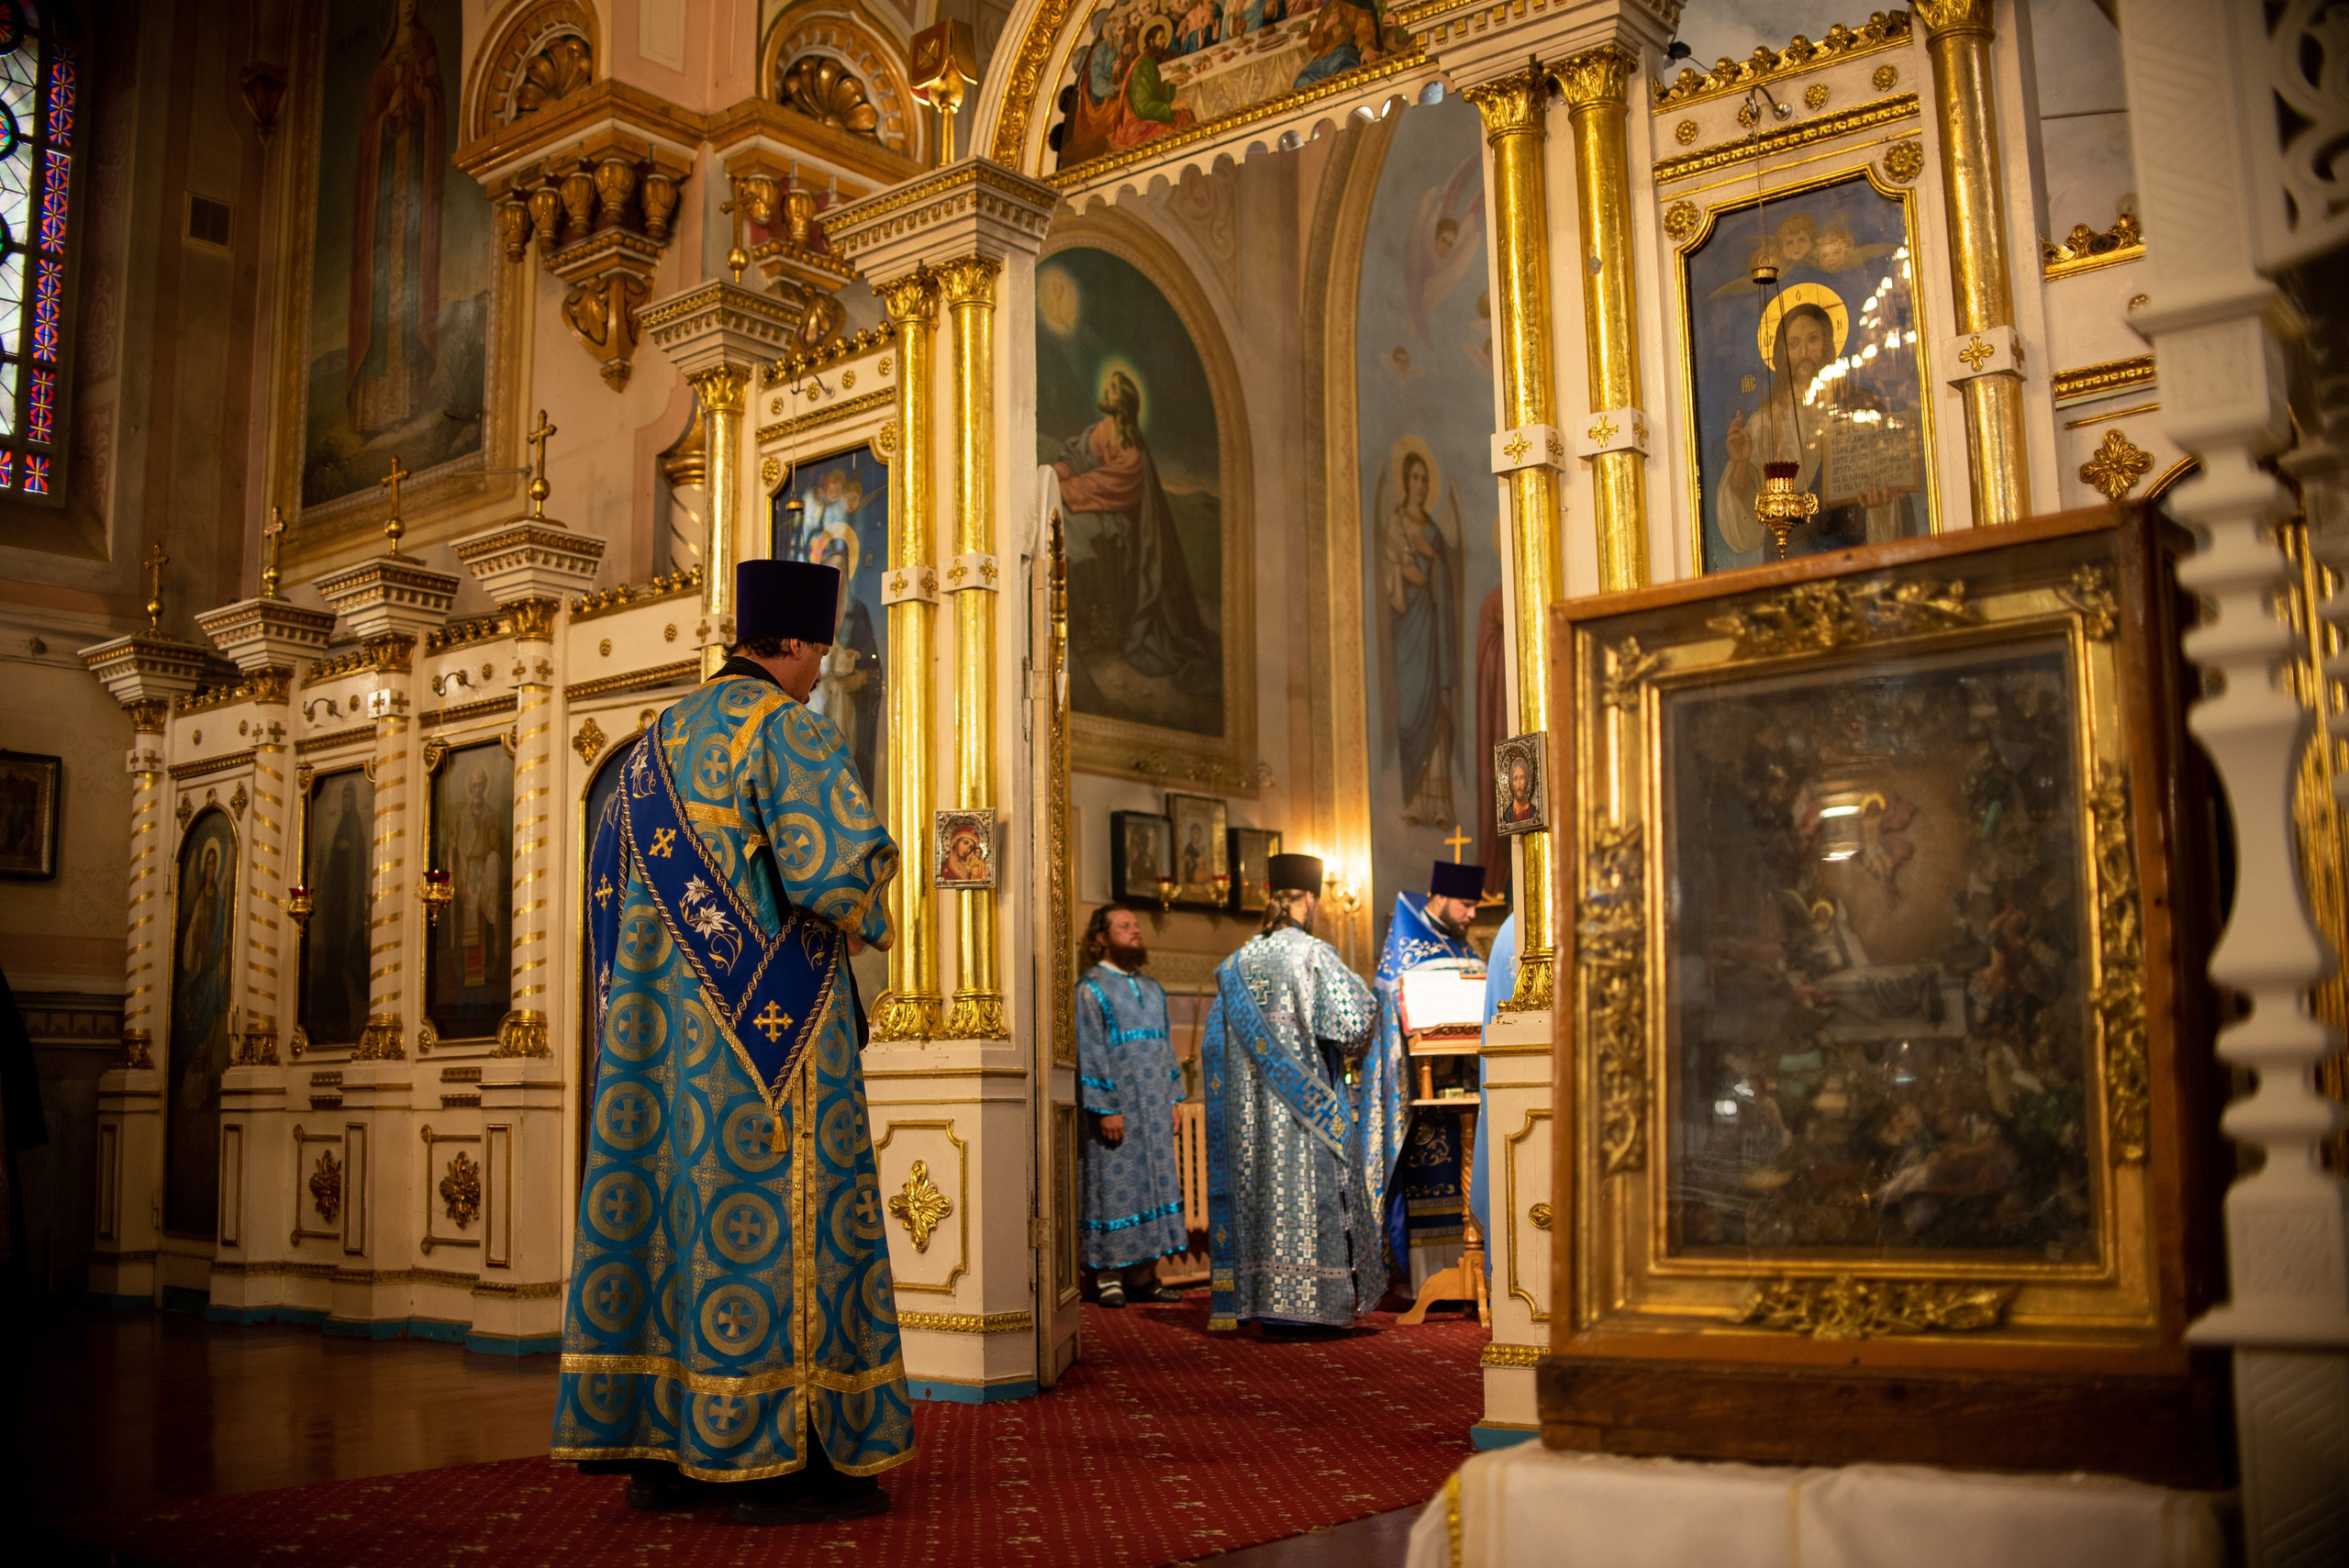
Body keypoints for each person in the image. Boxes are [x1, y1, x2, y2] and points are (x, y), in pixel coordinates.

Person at [554, 559, 907, 1527]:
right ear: (790, 644)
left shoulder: (650, 746)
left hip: (656, 1052)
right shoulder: (785, 730)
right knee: (782, 1227)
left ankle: (664, 1446)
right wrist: (886, 891)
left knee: (670, 1225)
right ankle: (775, 1455)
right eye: (818, 654)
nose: (819, 673)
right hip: (770, 1045)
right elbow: (838, 873)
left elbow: (605, 895)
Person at [1202, 852, 1380, 1337]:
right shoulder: (1312, 955)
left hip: (1248, 1119)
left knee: (1261, 1200)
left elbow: (1213, 1044)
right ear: (1308, 898)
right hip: (1304, 1119)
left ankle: (1264, 1304)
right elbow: (1353, 1022)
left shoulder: (1235, 964)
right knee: (1304, 1199)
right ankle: (1315, 1308)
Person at [1362, 861, 1483, 1293]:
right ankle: (1424, 1282)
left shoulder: (1463, 948)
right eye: (1466, 905)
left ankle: (1472, 1271)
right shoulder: (1407, 946)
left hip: (1463, 1090)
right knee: (1428, 1176)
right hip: (1419, 1095)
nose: (1472, 915)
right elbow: (1388, 1015)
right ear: (1441, 897)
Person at [1075, 905, 1189, 1308]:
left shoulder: (1153, 988)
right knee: (1114, 1187)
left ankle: (1145, 1274)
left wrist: (1174, 1099)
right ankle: (1108, 1276)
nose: (1135, 930)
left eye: (1136, 924)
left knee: (1154, 1184)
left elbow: (1165, 1048)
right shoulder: (1090, 990)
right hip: (1119, 1108)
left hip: (1155, 1108)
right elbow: (1089, 1051)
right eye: (1125, 926)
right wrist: (1105, 1107)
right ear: (1102, 938)